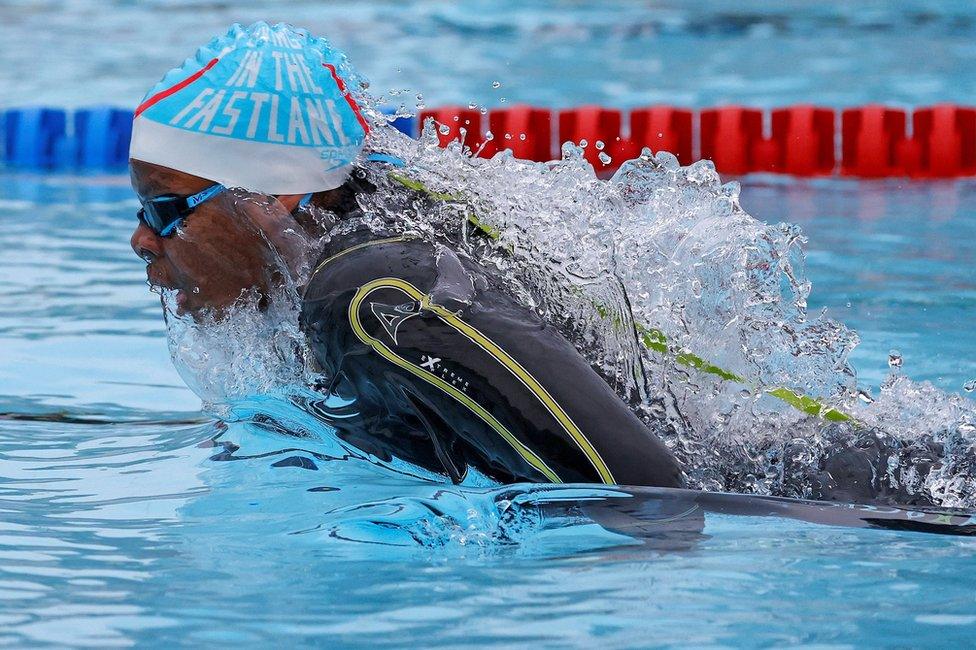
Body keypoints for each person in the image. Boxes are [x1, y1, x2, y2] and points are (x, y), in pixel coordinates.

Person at [128, 21, 685, 488]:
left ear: (273, 197)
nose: (141, 241)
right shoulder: (374, 250)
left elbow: (646, 494)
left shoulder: (375, 297)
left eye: (163, 210)